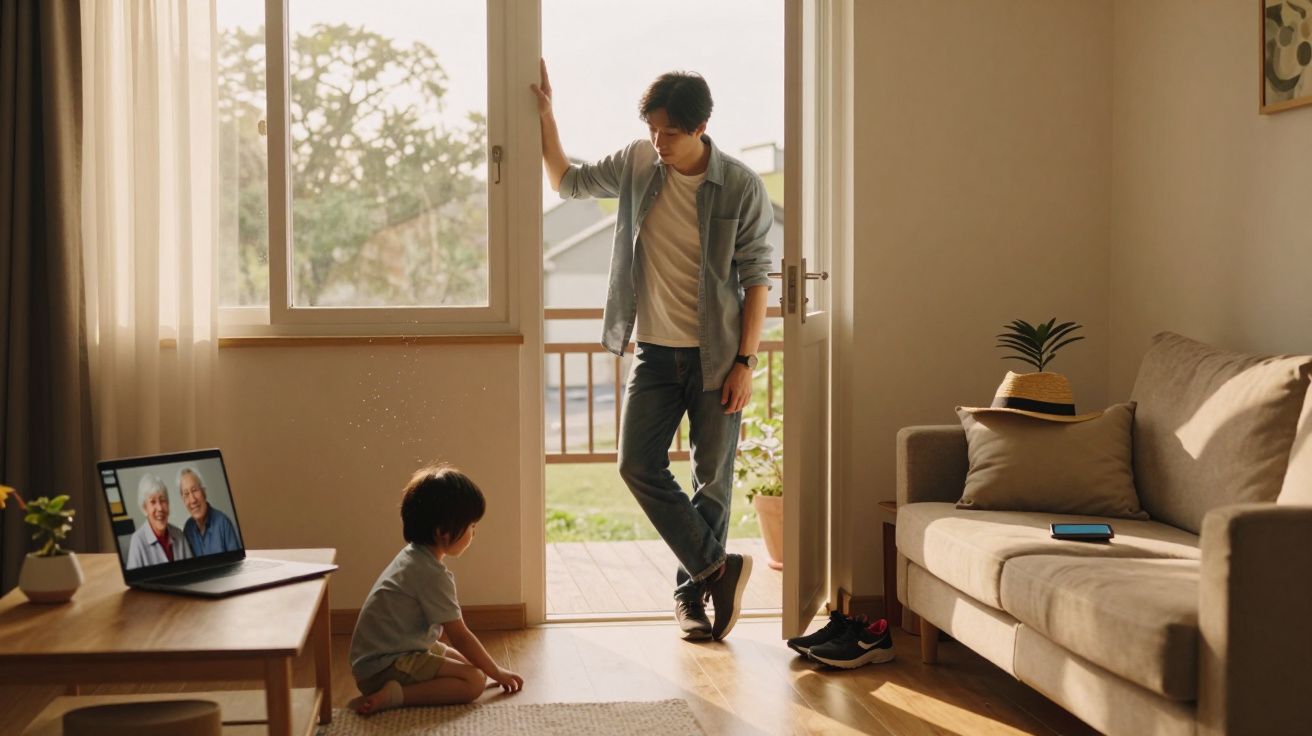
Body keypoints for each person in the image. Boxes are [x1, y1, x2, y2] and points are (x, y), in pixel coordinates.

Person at [532, 61, 773, 641]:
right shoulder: (640, 164)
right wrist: (546, 117)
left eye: (668, 132)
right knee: (636, 463)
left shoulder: (739, 185)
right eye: (651, 129)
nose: (656, 142)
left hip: (717, 358)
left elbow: (759, 278)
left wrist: (745, 362)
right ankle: (716, 568)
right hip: (656, 355)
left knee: (712, 480)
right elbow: (567, 181)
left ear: (701, 127)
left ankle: (691, 599)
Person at [348, 465, 524, 715]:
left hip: (385, 656)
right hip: (383, 666)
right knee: (474, 681)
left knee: (469, 665)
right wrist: (496, 671)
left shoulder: (414, 556)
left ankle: (399, 686)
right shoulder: (431, 575)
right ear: (443, 532)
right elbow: (460, 636)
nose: (474, 532)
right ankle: (394, 695)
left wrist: (487, 668)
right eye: (472, 525)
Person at [125, 474, 193, 569]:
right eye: (153, 502)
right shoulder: (137, 541)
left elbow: (192, 570)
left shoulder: (179, 534)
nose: (160, 508)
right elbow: (135, 582)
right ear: (144, 509)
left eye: (163, 500)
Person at [179, 467, 242, 556]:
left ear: (204, 492)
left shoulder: (223, 523)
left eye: (194, 490)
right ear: (183, 501)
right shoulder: (187, 529)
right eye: (186, 494)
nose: (192, 500)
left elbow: (237, 564)